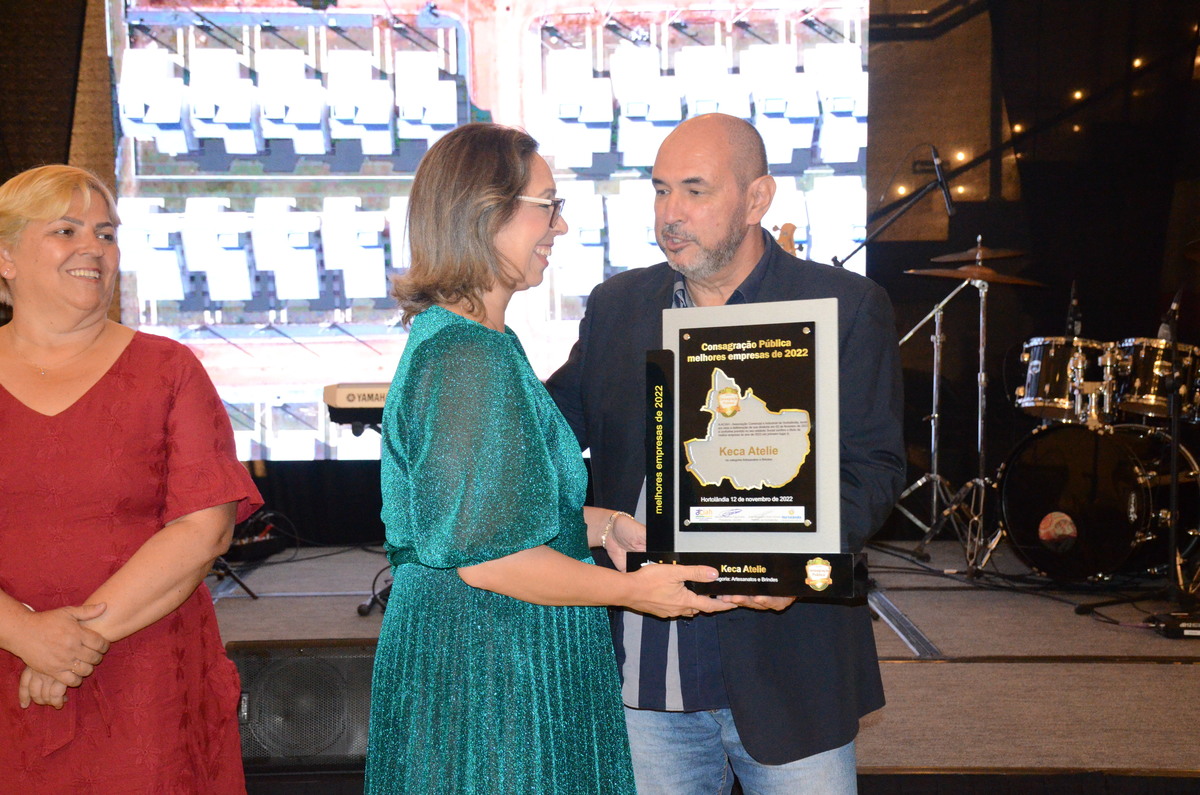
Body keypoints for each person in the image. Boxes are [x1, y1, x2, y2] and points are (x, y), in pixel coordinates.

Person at [364, 123, 734, 794]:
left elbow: (496, 512)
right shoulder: (465, 356)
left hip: (499, 654)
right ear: (486, 211)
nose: (559, 226)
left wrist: (601, 524)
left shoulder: (481, 342)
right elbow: (489, 558)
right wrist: (636, 591)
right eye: (547, 204)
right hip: (490, 673)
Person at [546, 113, 906, 793]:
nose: (670, 214)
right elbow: (548, 436)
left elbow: (874, 470)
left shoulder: (844, 304)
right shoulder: (619, 305)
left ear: (757, 198)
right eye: (660, 190)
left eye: (695, 190)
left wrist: (794, 564)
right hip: (646, 677)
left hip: (790, 667)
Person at [0, 165, 262, 792]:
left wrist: (70, 645)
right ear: (5, 257)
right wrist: (23, 633)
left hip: (145, 679)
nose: (93, 248)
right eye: (66, 230)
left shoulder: (168, 369)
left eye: (106, 234)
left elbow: (204, 530)